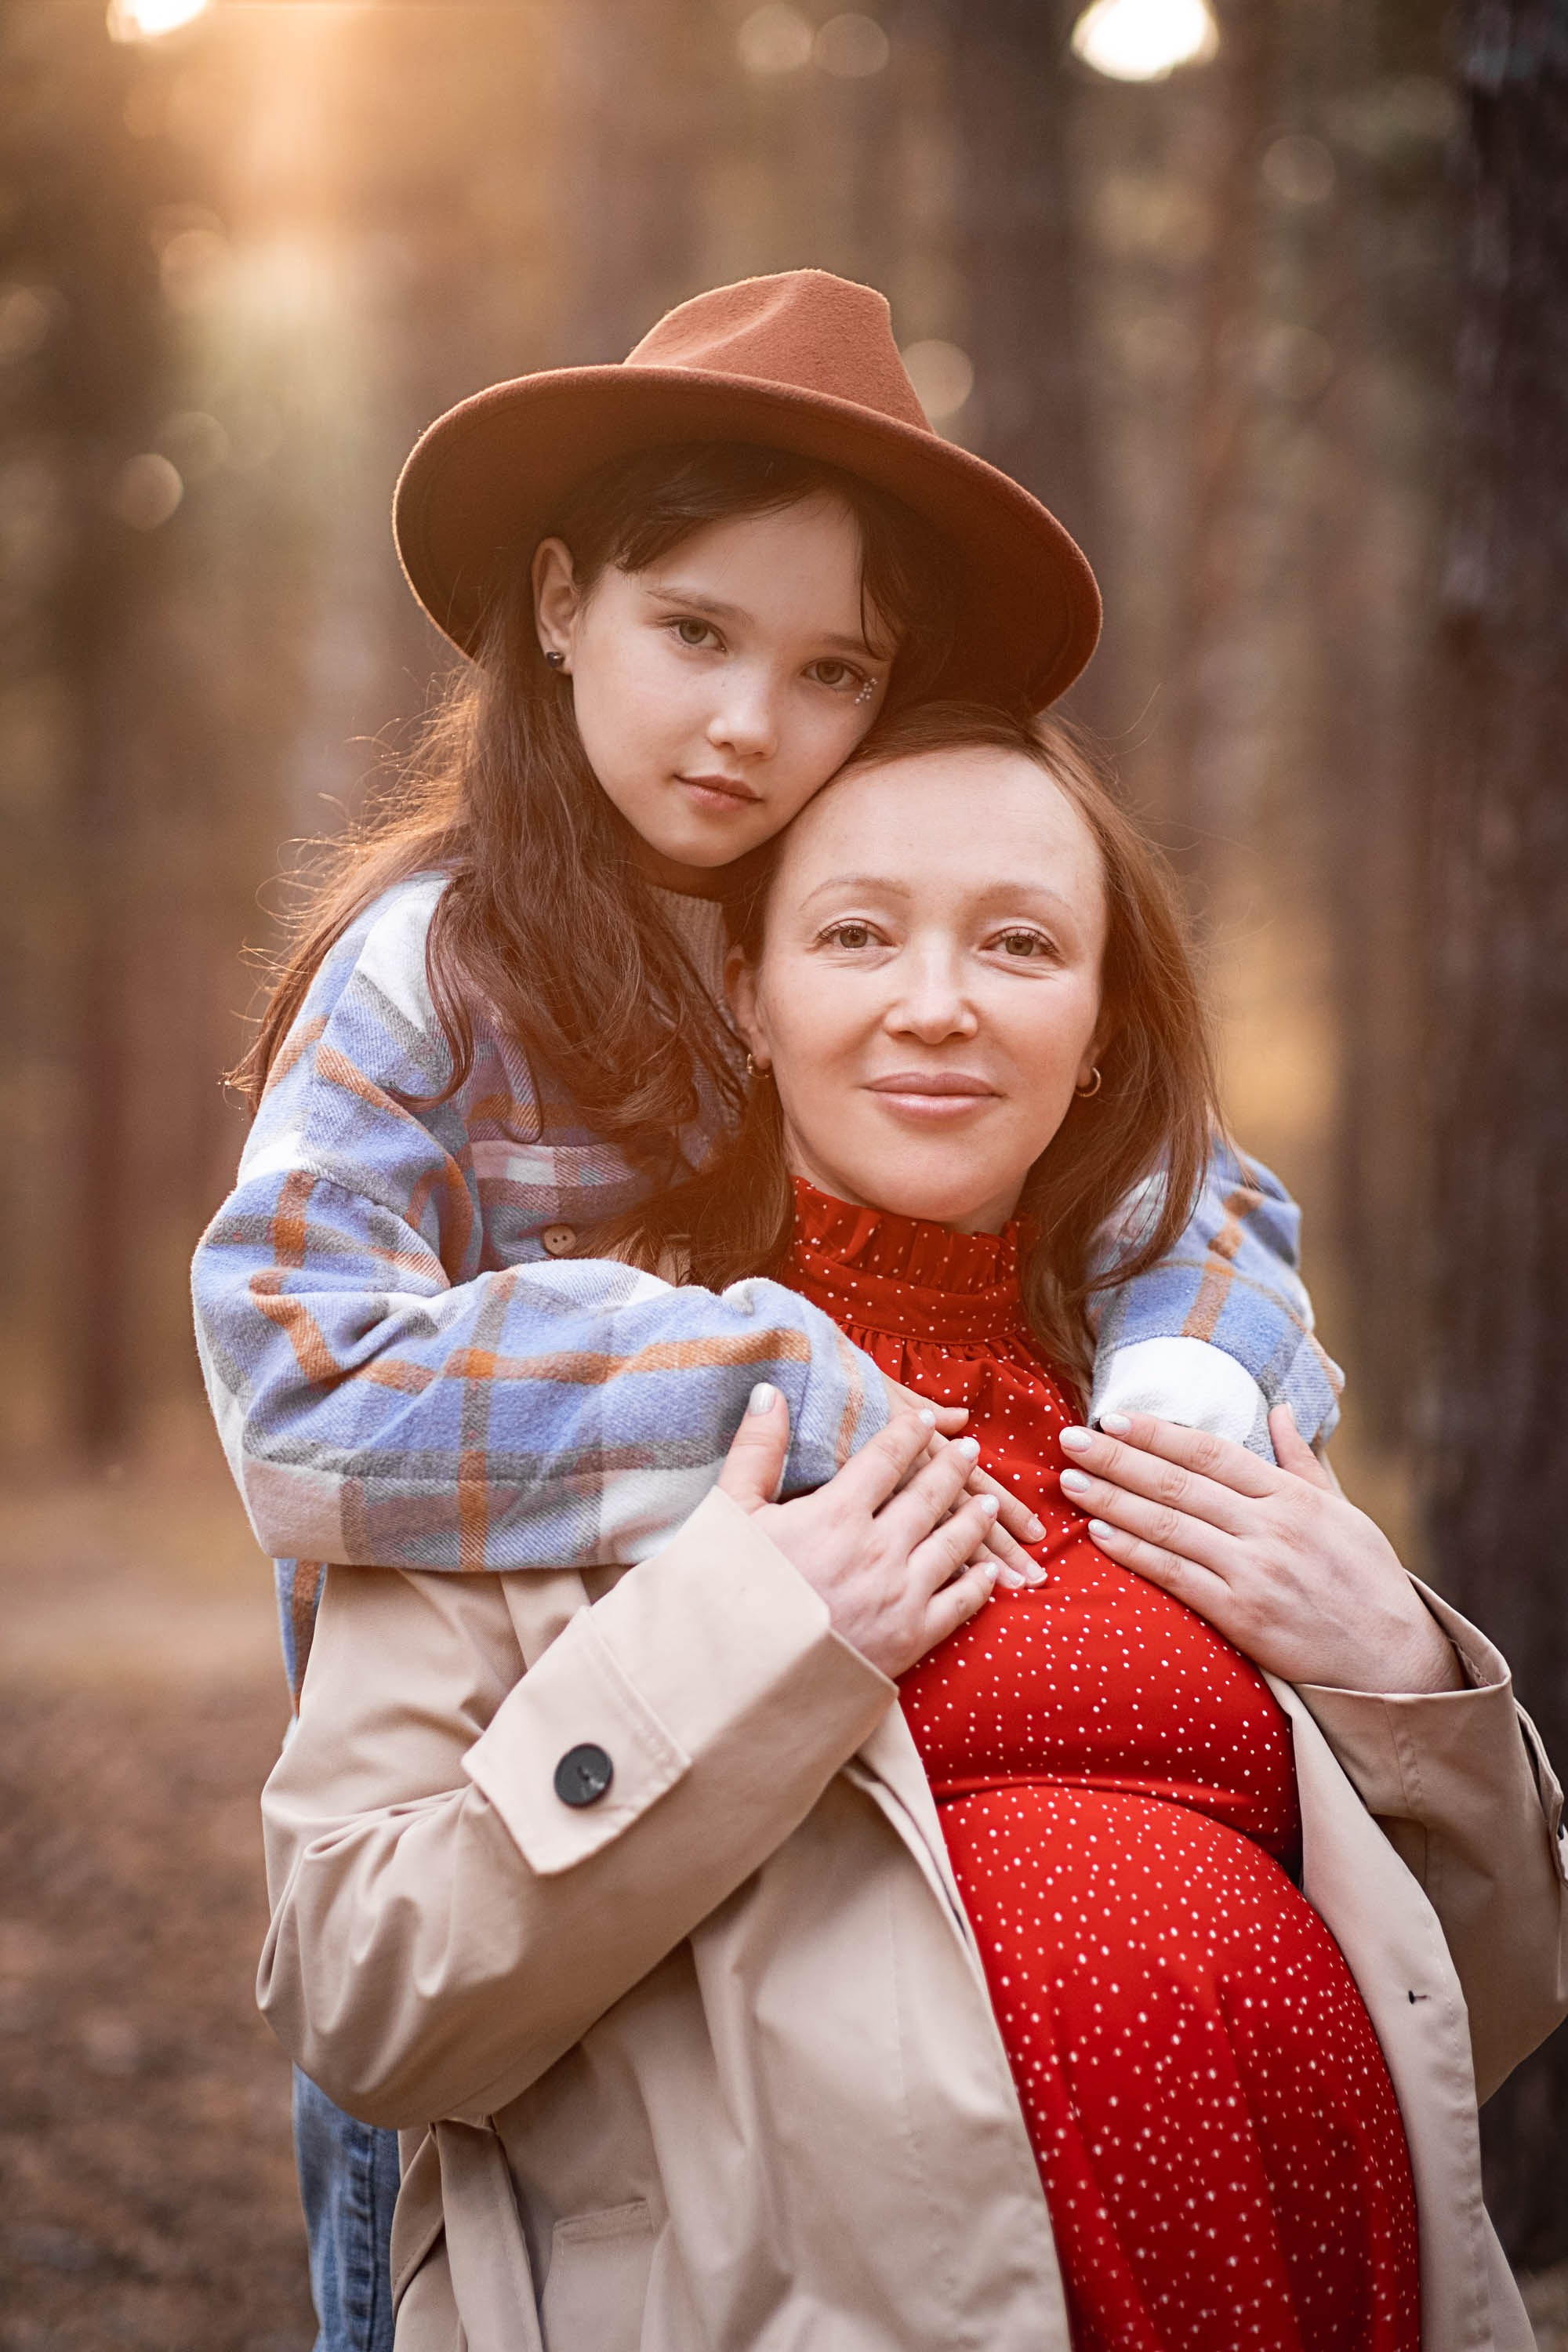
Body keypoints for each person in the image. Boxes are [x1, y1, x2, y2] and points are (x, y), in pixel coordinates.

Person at [195, 270, 1339, 2351]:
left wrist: (1187, 1369)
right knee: (446, 2251)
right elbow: (300, 1387)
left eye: (832, 671)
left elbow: (1187, 1177)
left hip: (792, 1773)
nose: (749, 725)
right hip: (488, 1773)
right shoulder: (432, 968)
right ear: (559, 601)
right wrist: (761, 1373)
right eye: (695, 634)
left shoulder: (833, 923)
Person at [256, 702, 1568, 2351]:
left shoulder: (1189, 1396)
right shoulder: (552, 1391)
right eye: (856, 934)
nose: (935, 1006)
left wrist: (1397, 1671)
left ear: (1097, 1022)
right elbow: (359, 1997)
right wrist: (744, 1649)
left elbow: (1487, 2004)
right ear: (748, 992)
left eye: (1019, 945)